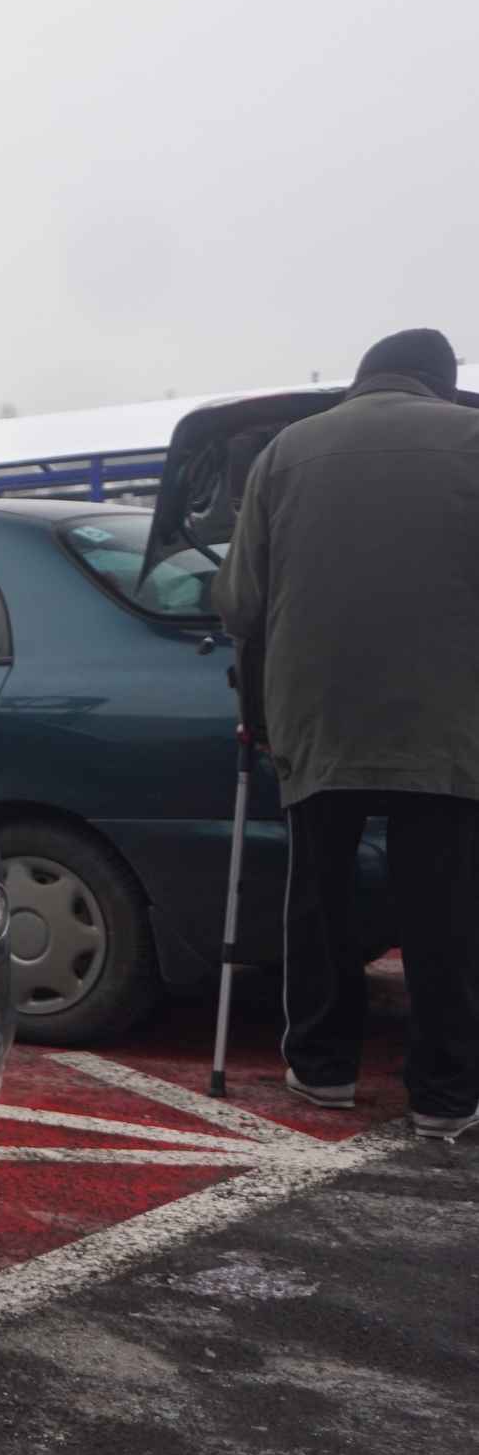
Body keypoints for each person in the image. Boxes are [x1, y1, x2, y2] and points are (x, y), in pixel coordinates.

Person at [216, 328, 479, 1141]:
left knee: (319, 891)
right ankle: (444, 1092)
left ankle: (323, 1066)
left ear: (363, 378)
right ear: (440, 382)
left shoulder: (288, 451)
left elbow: (241, 605)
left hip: (314, 708)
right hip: (446, 712)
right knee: (443, 905)